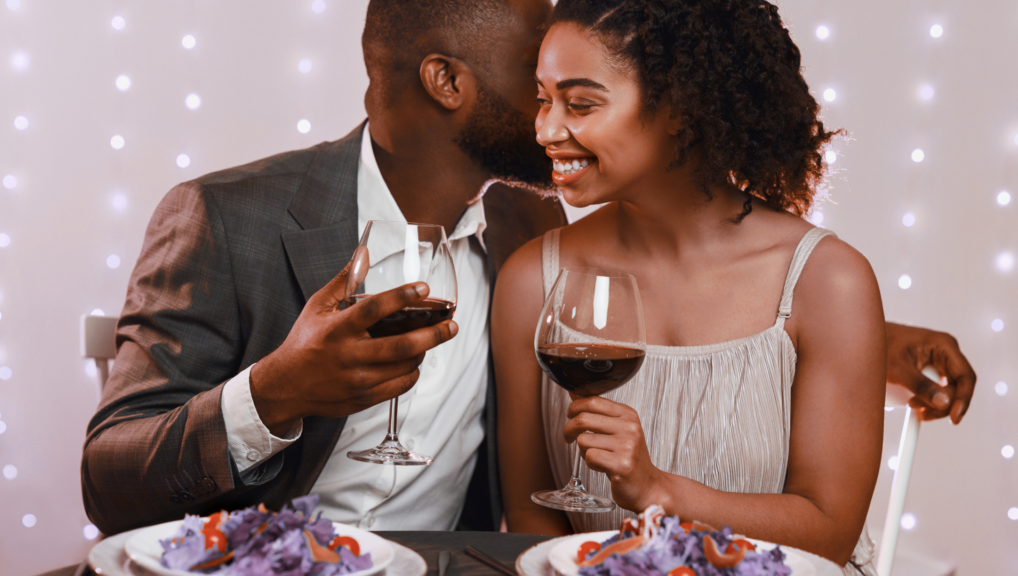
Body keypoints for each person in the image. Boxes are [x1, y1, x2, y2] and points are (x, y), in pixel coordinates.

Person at [82, 0, 975, 538]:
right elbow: (109, 481)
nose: (550, 118)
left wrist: (862, 339)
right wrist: (276, 392)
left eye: (576, 94)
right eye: (535, 78)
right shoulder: (225, 216)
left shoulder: (525, 230)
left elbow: (688, 293)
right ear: (448, 82)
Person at [491, 1, 944, 573]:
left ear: (679, 108)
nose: (546, 129)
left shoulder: (828, 281)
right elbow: (532, 519)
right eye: (543, 99)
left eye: (580, 104)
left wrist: (659, 491)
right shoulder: (533, 282)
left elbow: (828, 534)